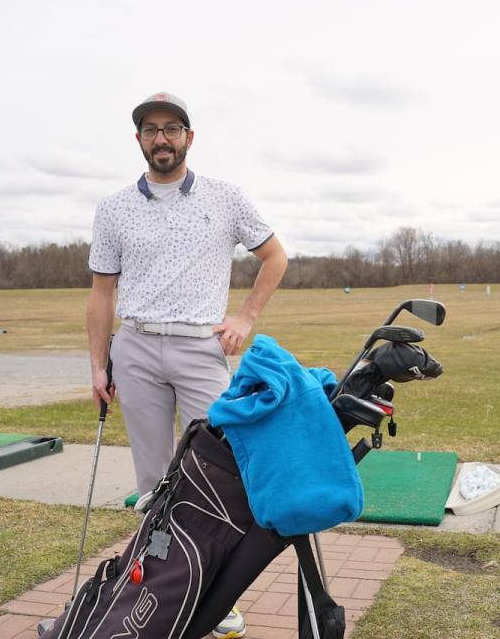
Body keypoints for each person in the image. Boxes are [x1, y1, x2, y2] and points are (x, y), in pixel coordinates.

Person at [86, 91, 287, 639]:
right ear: (139, 141)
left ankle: (215, 599)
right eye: (151, 130)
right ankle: (155, 591)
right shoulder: (113, 209)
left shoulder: (225, 198)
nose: (162, 138)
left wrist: (245, 317)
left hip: (203, 348)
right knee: (154, 484)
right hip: (137, 349)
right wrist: (98, 365)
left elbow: (275, 257)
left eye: (172, 128)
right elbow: (102, 294)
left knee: (216, 480)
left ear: (189, 137)